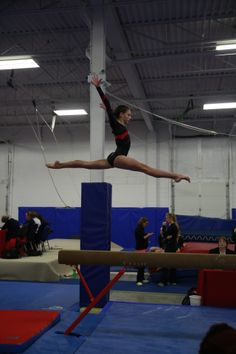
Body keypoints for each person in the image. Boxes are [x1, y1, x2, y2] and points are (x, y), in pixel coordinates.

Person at [46, 75, 191, 183]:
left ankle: (60, 165)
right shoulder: (116, 124)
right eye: (128, 114)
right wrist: (98, 87)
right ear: (121, 115)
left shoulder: (118, 123)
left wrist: (109, 110)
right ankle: (175, 175)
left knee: (86, 164)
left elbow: (111, 110)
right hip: (119, 157)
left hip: (113, 158)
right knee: (146, 169)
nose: (130, 117)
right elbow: (108, 105)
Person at [157, 212, 179, 286]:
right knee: (171, 263)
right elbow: (167, 237)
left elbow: (165, 234)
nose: (166, 219)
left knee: (165, 264)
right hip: (172, 246)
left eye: (166, 218)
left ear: (170, 218)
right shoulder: (172, 226)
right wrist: (167, 237)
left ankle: (163, 281)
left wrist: (163, 226)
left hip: (171, 247)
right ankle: (172, 280)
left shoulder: (172, 226)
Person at [135, 217, 154, 286]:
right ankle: (138, 280)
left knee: (143, 265)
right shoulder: (138, 229)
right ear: (142, 222)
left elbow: (143, 236)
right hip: (140, 249)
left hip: (143, 248)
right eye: (146, 223)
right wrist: (148, 235)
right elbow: (142, 238)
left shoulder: (141, 228)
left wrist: (147, 235)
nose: (146, 225)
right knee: (140, 265)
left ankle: (142, 278)